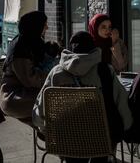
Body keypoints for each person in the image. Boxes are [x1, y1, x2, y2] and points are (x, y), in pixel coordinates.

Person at [32, 31, 132, 162]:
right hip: (101, 140)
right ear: (93, 48)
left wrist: (45, 131)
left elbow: (40, 110)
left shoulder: (56, 73)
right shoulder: (105, 71)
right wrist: (126, 127)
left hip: (65, 140)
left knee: (71, 146)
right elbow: (122, 105)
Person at [0, 10, 51, 126]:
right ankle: (56, 137)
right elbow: (30, 79)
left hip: (27, 93)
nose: (47, 28)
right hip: (15, 99)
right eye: (44, 24)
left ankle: (53, 136)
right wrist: (52, 76)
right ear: (35, 26)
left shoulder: (33, 42)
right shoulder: (20, 49)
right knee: (55, 101)